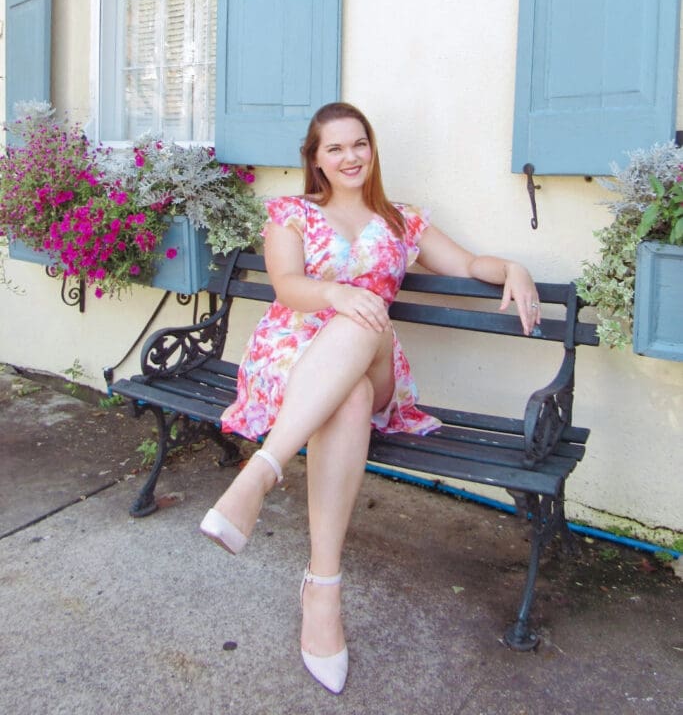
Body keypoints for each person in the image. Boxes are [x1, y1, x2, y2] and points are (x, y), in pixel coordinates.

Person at [200, 102, 541, 694]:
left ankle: (258, 475)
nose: (351, 156)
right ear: (316, 159)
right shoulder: (291, 213)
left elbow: (465, 262)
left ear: (371, 148)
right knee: (349, 396)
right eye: (335, 148)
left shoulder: (401, 219)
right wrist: (335, 293)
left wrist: (513, 267)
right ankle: (322, 591)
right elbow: (287, 286)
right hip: (291, 359)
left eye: (359, 144)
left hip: (375, 348)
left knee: (366, 324)